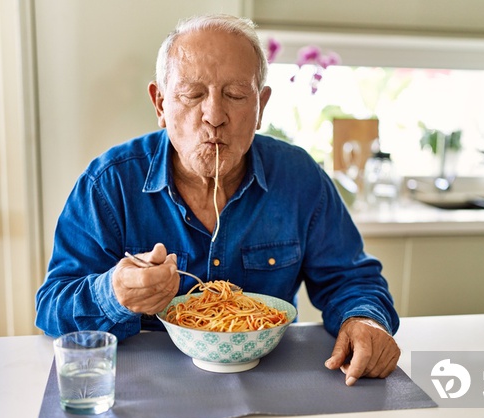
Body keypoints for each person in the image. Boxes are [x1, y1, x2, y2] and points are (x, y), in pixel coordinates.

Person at [35, 14, 400, 385]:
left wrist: (364, 319)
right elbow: (51, 307)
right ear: (160, 104)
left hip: (268, 385)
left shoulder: (298, 178)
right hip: (146, 389)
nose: (213, 116)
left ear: (261, 107)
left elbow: (351, 278)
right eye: (192, 94)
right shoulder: (109, 184)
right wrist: (114, 293)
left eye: (236, 95)